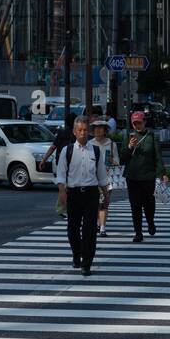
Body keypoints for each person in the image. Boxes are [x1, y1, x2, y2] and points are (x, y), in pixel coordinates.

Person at [56, 116, 109, 275]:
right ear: (74, 132)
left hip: (91, 193)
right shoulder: (68, 150)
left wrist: (106, 194)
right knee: (73, 228)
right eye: (79, 130)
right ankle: (76, 254)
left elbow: (101, 175)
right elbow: (60, 174)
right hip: (73, 193)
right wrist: (62, 191)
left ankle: (87, 263)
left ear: (89, 132)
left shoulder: (96, 151)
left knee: (89, 230)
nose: (83, 133)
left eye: (85, 130)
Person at [118, 109, 169, 243]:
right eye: (135, 123)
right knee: (135, 206)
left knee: (149, 204)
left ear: (144, 122)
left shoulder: (152, 137)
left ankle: (150, 222)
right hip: (132, 177)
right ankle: (138, 233)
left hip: (148, 177)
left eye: (139, 123)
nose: (137, 126)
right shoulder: (128, 137)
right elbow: (122, 158)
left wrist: (162, 173)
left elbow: (158, 156)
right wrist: (129, 147)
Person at [41, 111, 77, 218]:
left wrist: (44, 160)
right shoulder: (77, 133)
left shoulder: (61, 133)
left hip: (60, 164)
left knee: (62, 188)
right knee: (70, 188)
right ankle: (66, 208)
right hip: (73, 163)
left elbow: (53, 147)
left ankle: (63, 208)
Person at [91, 118, 120, 237]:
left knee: (104, 202)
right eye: (96, 128)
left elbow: (118, 161)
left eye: (101, 128)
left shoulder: (111, 144)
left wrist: (113, 161)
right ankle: (98, 224)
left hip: (108, 178)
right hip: (93, 178)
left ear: (105, 130)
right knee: (95, 203)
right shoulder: (90, 144)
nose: (98, 130)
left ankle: (102, 227)